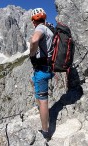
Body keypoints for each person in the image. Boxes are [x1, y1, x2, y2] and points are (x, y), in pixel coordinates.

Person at [29, 8, 54, 141]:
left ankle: (45, 132)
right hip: (49, 69)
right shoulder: (49, 29)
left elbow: (34, 40)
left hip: (42, 71)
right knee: (39, 94)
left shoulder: (40, 28)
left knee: (43, 101)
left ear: (34, 21)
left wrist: (32, 54)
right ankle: (43, 116)